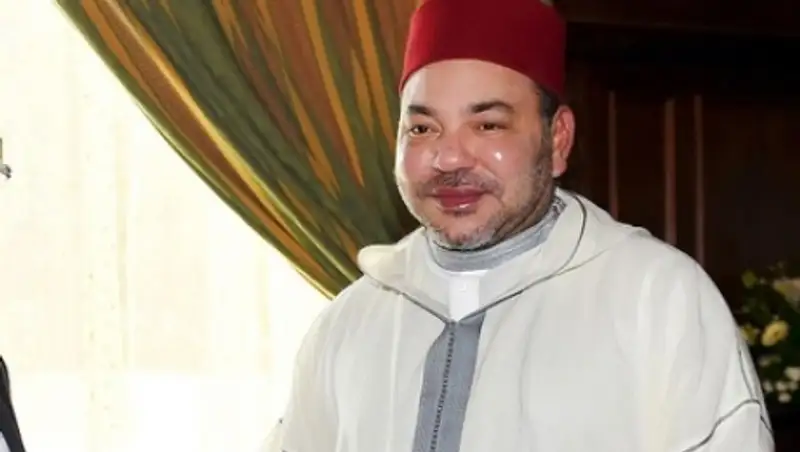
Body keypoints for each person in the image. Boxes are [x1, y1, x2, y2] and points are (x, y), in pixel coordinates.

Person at [263, 0, 774, 450]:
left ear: (558, 139)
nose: (448, 157)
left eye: (488, 124)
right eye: (422, 128)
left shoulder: (657, 300)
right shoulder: (349, 323)